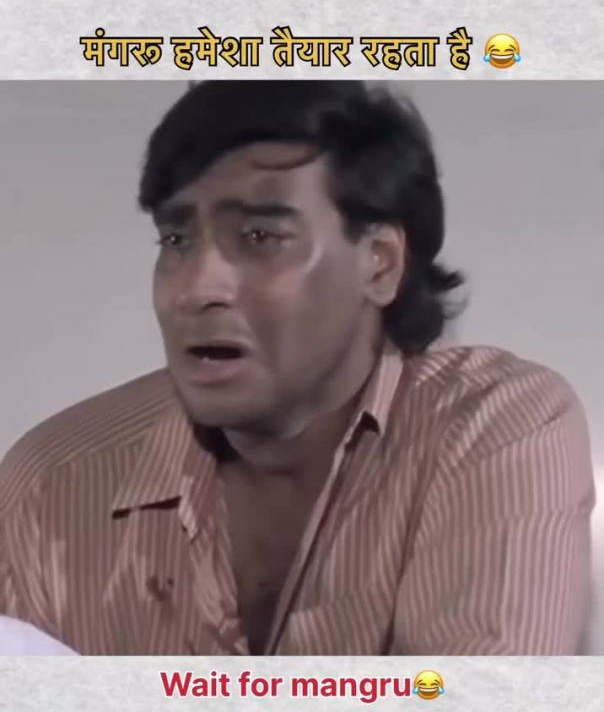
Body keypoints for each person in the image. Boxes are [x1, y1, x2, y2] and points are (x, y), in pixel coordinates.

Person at [0, 81, 595, 655]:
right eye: (176, 240)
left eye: (260, 236)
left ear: (380, 263)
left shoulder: (497, 428)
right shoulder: (53, 485)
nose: (197, 288)